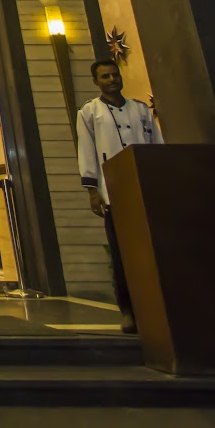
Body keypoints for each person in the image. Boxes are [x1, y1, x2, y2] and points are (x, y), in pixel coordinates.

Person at [76, 58, 163, 334]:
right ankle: (128, 309)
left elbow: (156, 143)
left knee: (153, 250)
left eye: (114, 75)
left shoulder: (140, 109)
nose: (112, 80)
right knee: (121, 253)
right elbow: (86, 150)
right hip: (113, 191)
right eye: (105, 76)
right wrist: (92, 189)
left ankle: (157, 308)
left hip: (145, 187)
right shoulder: (90, 112)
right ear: (96, 81)